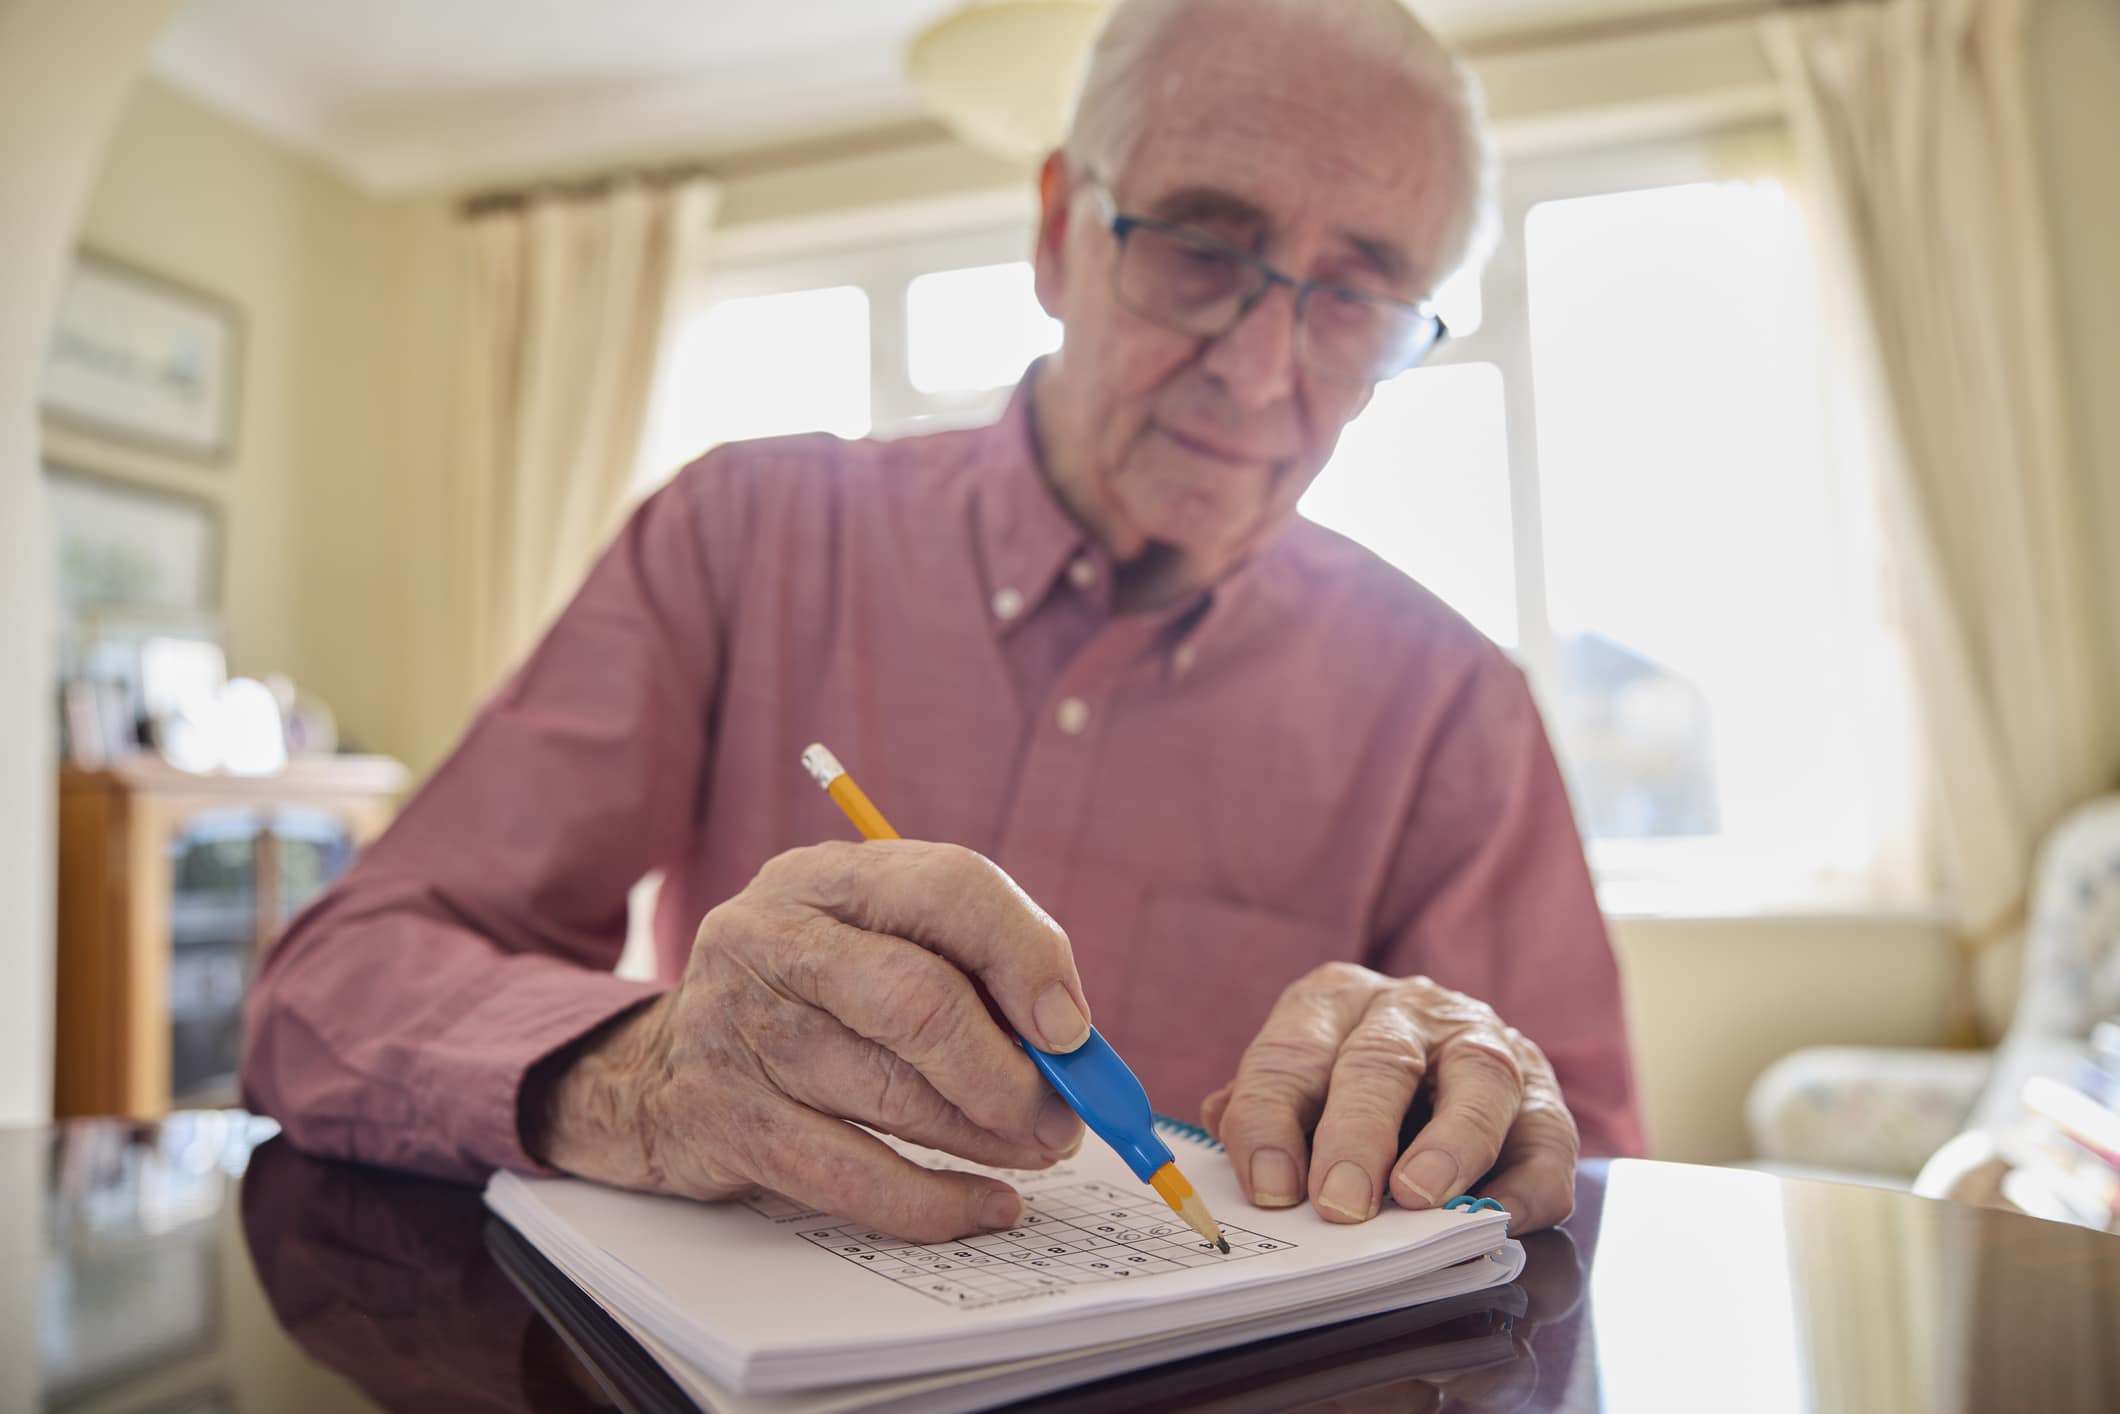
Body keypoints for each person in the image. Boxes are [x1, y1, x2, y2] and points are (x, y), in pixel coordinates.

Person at [241, 0, 1644, 1246]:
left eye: (1353, 302)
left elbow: (1588, 1176)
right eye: (1205, 246)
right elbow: (328, 990)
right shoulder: (745, 535)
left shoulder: (1455, 704)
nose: (1263, 373)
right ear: (1056, 235)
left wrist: (1481, 1097)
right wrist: (647, 1076)